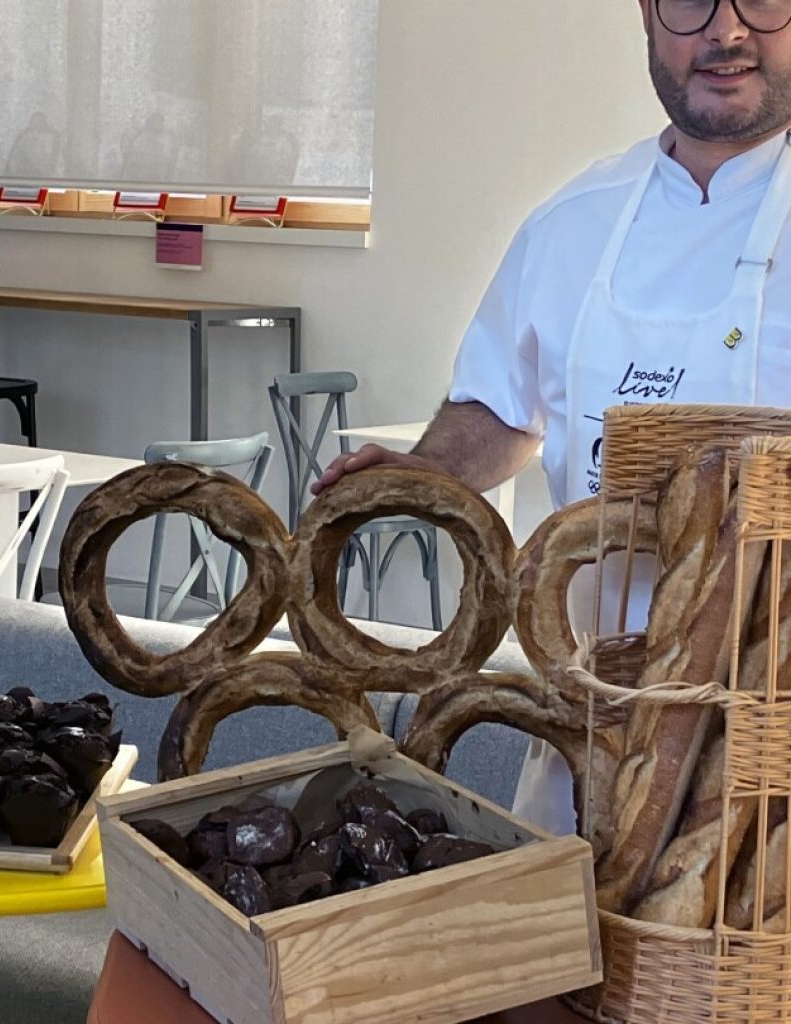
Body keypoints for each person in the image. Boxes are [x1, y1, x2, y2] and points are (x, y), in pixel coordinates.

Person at [313, 0, 791, 834]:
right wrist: (429, 473)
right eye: (689, 1)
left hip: (771, 748)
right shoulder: (576, 221)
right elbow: (502, 408)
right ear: (647, 16)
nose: (727, 31)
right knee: (579, 959)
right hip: (590, 727)